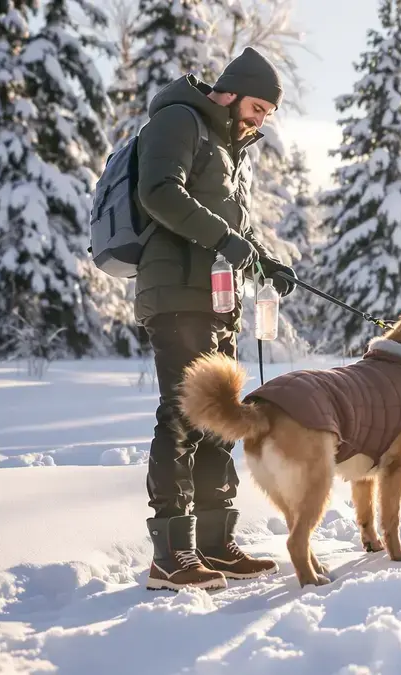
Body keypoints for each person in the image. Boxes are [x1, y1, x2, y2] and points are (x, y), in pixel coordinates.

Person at [134, 47, 299, 591]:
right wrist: (228, 239)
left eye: (267, 115)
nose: (259, 121)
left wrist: (264, 258)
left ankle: (213, 543)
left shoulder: (229, 147)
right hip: (176, 292)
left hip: (215, 298)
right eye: (257, 107)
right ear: (229, 92)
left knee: (219, 417)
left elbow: (227, 225)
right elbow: (158, 192)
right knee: (181, 418)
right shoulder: (180, 119)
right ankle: (171, 553)